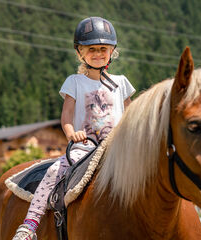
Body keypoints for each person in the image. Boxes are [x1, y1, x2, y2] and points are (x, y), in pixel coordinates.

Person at [13, 16, 135, 240]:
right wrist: (72, 134)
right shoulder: (74, 82)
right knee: (54, 171)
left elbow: (131, 117)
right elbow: (67, 117)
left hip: (117, 148)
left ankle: (190, 227)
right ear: (80, 52)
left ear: (112, 51)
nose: (97, 54)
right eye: (91, 49)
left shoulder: (121, 83)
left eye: (103, 49)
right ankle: (30, 224)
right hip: (85, 147)